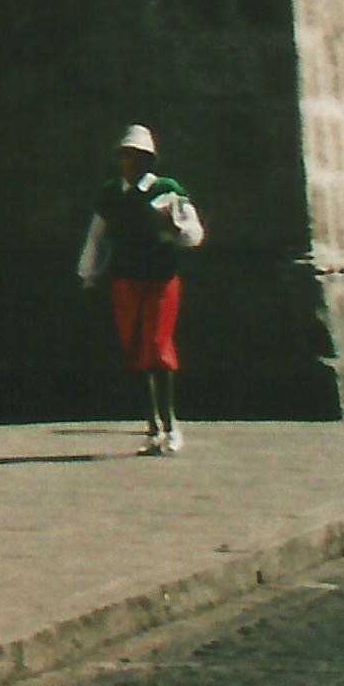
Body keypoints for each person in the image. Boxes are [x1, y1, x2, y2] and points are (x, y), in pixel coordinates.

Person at [75, 122, 204, 452]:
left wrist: (171, 228)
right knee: (134, 351)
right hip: (126, 280)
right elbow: (97, 239)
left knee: (157, 346)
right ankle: (152, 427)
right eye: (125, 157)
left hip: (160, 279)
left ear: (148, 160)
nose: (129, 164)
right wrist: (89, 276)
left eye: (136, 157)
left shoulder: (165, 190)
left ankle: (171, 425)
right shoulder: (111, 195)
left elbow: (193, 234)